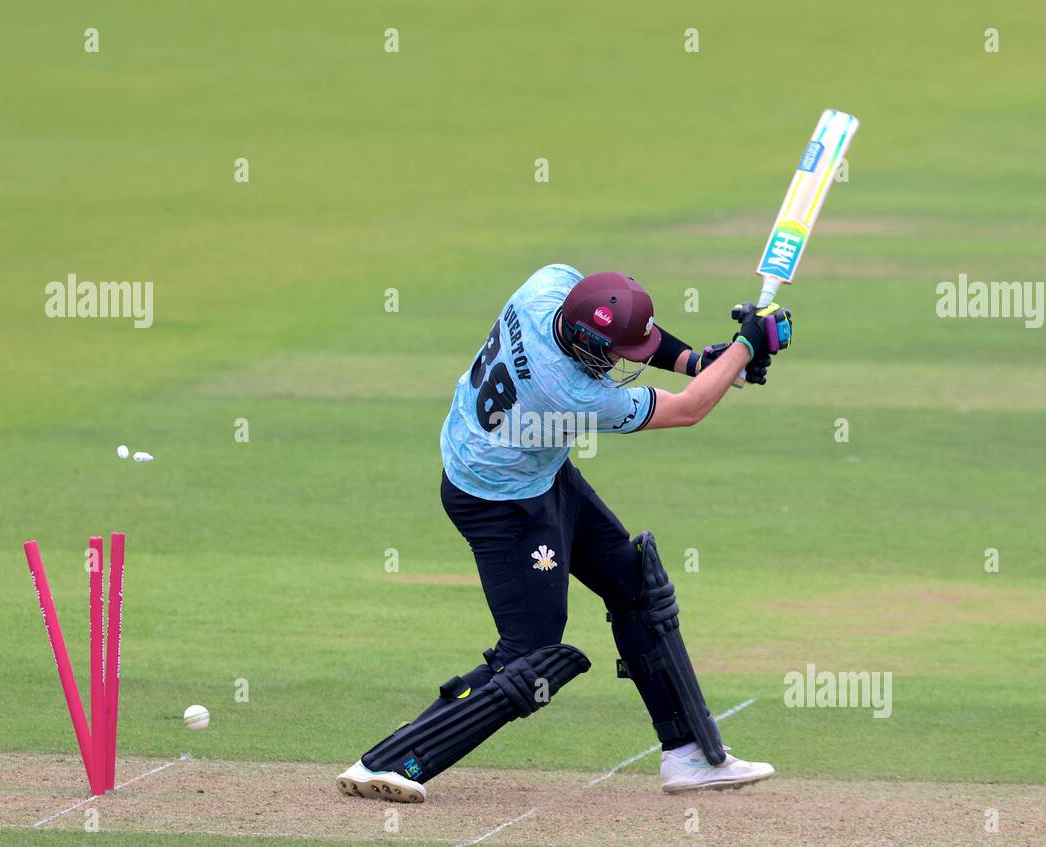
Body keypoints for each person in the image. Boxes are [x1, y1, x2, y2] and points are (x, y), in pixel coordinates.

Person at [337, 264, 791, 803]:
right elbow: (689, 409)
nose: (624, 361)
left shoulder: (548, 286)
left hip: (536, 471)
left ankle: (689, 755)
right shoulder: (568, 391)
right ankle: (390, 762)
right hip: (498, 502)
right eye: (616, 353)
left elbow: (640, 344)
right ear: (583, 343)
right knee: (531, 656)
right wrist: (744, 346)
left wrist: (699, 361)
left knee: (636, 586)